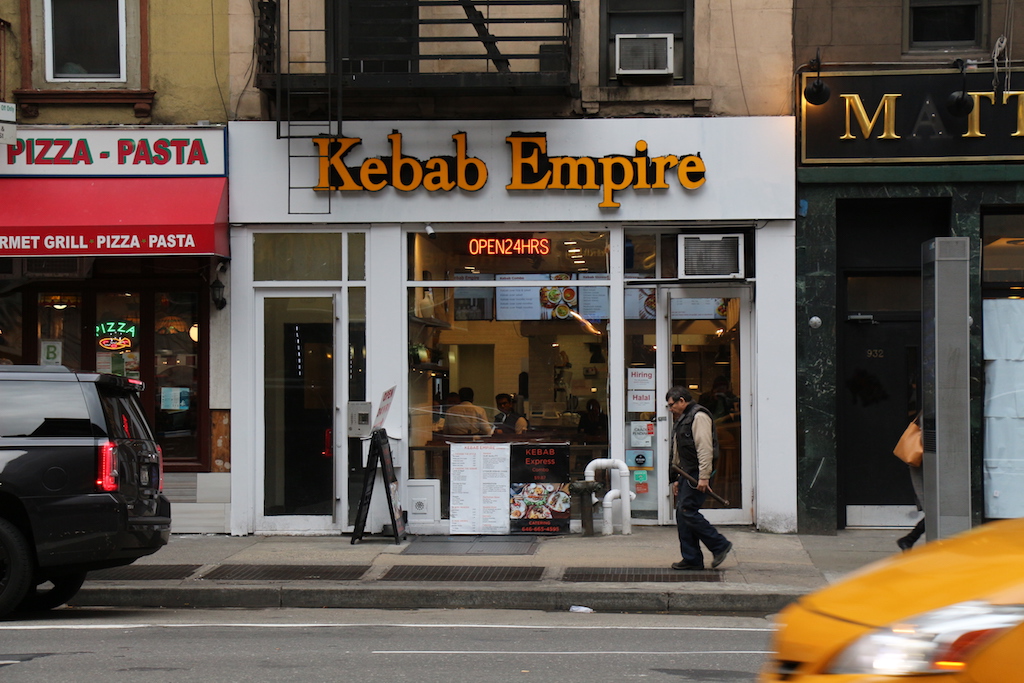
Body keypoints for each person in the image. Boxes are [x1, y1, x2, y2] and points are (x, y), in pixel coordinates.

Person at [666, 385, 733, 570]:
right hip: (687, 473)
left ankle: (719, 545)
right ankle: (692, 559)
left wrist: (704, 477)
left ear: (681, 400)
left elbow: (705, 449)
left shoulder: (699, 416)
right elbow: (678, 451)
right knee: (683, 514)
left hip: (696, 472)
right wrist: (676, 479)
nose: (670, 409)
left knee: (687, 510)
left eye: (671, 405)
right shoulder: (684, 418)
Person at [895, 413, 925, 551]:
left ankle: (908, 540)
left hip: (925, 465)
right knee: (935, 510)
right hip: (923, 465)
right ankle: (908, 540)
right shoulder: (930, 413)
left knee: (936, 510)